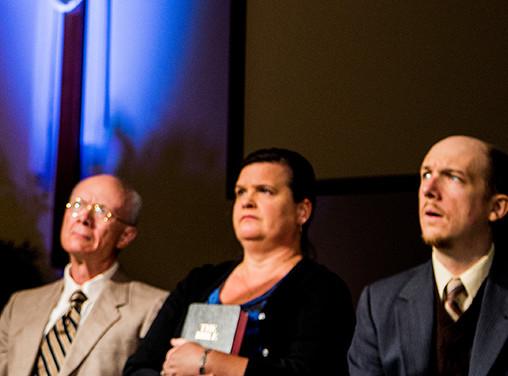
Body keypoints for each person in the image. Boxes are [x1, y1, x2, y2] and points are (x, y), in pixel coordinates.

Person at [346, 135, 508, 376]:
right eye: (426, 174)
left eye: (454, 177)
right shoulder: (378, 304)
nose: (429, 189)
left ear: (496, 208)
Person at [124, 149, 354, 376]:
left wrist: (210, 362)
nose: (247, 202)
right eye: (241, 192)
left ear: (302, 211)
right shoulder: (199, 281)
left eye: (265, 191)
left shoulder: (322, 290)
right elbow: (139, 366)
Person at [0, 174, 168, 376]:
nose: (84, 218)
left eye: (101, 210)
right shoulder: (20, 306)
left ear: (124, 236)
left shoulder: (153, 308)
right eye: (78, 204)